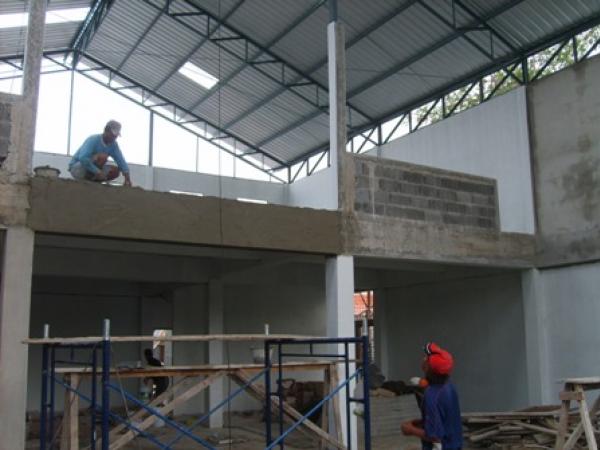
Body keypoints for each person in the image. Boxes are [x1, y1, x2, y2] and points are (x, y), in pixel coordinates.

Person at [401, 342, 463, 450]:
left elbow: (435, 436)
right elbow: (444, 419)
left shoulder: (432, 396)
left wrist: (410, 430)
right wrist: (421, 421)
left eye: (427, 358)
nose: (423, 359)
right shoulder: (449, 387)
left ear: (427, 367)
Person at [68, 120, 132, 186]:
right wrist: (97, 171)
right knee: (102, 157)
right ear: (106, 130)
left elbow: (120, 160)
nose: (114, 138)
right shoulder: (93, 139)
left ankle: (93, 182)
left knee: (115, 171)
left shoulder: (113, 145)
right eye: (112, 135)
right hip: (77, 168)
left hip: (94, 171)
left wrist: (127, 178)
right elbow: (83, 158)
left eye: (116, 136)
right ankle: (90, 178)